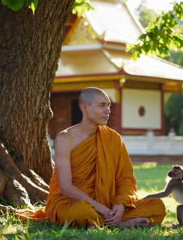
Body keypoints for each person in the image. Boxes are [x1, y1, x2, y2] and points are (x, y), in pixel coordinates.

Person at [17, 87, 166, 227]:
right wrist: (102, 209)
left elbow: (125, 178)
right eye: (102, 105)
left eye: (109, 105)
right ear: (84, 107)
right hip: (72, 202)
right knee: (82, 212)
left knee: (157, 206)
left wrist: (120, 205)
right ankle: (120, 223)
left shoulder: (113, 138)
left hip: (108, 203)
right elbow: (66, 188)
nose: (108, 110)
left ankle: (109, 220)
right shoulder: (65, 138)